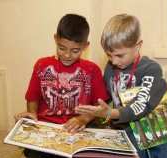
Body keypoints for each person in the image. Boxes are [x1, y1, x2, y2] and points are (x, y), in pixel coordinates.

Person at [75, 14, 167, 158]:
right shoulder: (110, 68)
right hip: (129, 130)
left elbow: (140, 105)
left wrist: (110, 113)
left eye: (119, 55)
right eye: (109, 55)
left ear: (138, 45)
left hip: (161, 130)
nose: (113, 61)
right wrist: (87, 115)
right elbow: (104, 100)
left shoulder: (151, 69)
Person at [14, 13, 109, 158]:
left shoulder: (92, 70)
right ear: (55, 39)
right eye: (62, 48)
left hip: (80, 128)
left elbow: (99, 107)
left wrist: (83, 119)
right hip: (47, 128)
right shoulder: (42, 65)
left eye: (75, 50)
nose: (67, 55)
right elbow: (33, 98)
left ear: (85, 46)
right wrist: (32, 114)